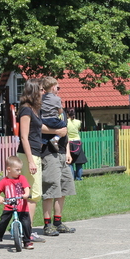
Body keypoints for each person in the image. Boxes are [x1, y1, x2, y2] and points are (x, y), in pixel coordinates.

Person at [16, 79, 46, 242]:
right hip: (29, 155)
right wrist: (31, 161)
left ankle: (24, 229)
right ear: (34, 91)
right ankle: (27, 231)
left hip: (35, 154)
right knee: (33, 194)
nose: (43, 92)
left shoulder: (35, 110)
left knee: (32, 194)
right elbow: (23, 136)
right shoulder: (26, 110)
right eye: (40, 90)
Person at [41, 98, 76, 236]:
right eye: (56, 88)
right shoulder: (43, 111)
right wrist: (57, 131)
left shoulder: (62, 114)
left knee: (64, 187)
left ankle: (58, 222)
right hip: (49, 153)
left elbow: (65, 134)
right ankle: (47, 224)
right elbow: (37, 127)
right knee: (51, 188)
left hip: (62, 153)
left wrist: (68, 152)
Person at [0, 156, 33, 250]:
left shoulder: (22, 178)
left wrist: (26, 194)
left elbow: (26, 188)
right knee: (2, 224)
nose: (19, 172)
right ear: (9, 169)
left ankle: (27, 241)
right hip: (9, 206)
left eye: (20, 170)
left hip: (22, 206)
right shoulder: (4, 181)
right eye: (17, 170)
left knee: (26, 224)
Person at [40, 77, 67, 152]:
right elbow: (60, 111)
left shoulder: (41, 98)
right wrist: (60, 111)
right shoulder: (57, 99)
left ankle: (40, 147)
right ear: (53, 87)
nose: (58, 90)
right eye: (57, 88)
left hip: (43, 119)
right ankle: (56, 139)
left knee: (44, 135)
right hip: (53, 119)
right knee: (64, 125)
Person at [66, 108, 87, 181]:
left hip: (69, 143)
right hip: (78, 142)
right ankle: (79, 177)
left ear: (67, 114)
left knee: (70, 162)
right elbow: (78, 129)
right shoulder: (78, 122)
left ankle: (71, 178)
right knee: (79, 162)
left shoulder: (66, 122)